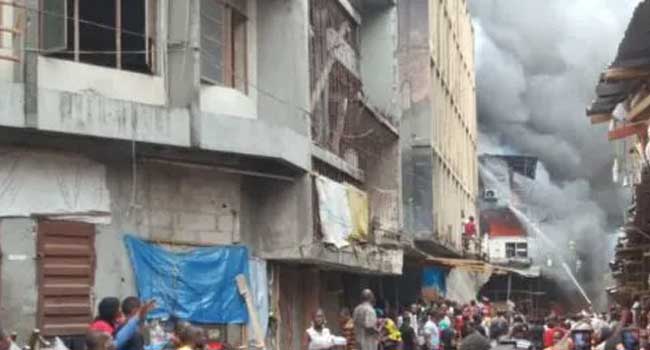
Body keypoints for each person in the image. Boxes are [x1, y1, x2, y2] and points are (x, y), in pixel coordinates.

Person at [90, 297, 155, 350]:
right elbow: (121, 338)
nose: (120, 311)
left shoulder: (115, 323)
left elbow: (122, 336)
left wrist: (140, 315)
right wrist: (138, 316)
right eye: (118, 308)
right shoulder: (101, 325)